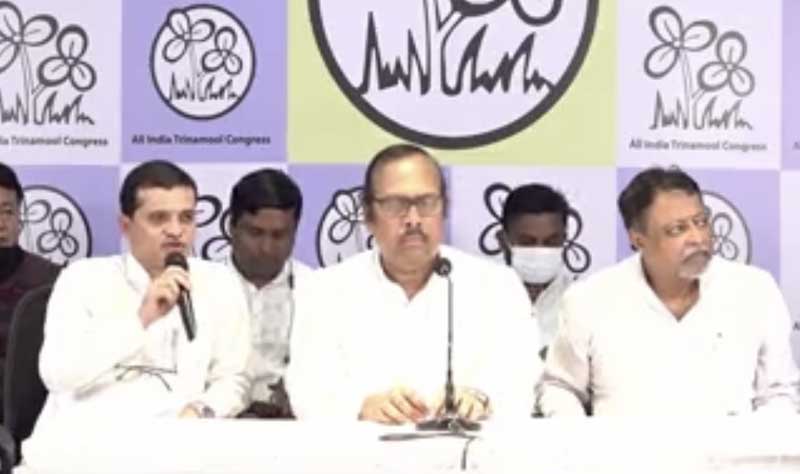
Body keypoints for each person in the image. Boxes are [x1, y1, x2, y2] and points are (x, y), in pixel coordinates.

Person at [287, 144, 539, 424]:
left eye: (427, 203)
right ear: (368, 215)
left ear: (444, 208)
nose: (413, 219)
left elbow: (521, 379)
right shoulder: (324, 290)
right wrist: (361, 407)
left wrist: (481, 399)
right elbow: (307, 388)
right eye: (396, 205)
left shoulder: (497, 287)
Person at [537, 166, 799, 416]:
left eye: (701, 222)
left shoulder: (754, 291)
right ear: (638, 239)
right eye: (677, 229)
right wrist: (582, 439)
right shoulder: (590, 299)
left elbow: (779, 393)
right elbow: (561, 388)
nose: (697, 238)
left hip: (734, 449)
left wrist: (754, 441)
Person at [30, 160, 251, 435]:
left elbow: (234, 379)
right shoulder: (83, 279)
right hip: (89, 440)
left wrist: (200, 411)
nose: (176, 230)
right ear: (125, 226)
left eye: (186, 217)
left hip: (180, 440)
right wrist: (142, 318)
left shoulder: (219, 283)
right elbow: (58, 375)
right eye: (159, 218)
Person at [227, 168, 312, 418]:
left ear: (295, 233)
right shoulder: (202, 288)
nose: (266, 248)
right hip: (214, 423)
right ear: (231, 227)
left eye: (279, 235)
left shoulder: (317, 290)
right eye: (255, 233)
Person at [0, 163, 60, 419]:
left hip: (31, 419)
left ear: (20, 219)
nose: (1, 223)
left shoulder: (50, 281)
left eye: (8, 212)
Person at [498, 183, 573, 358]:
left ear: (564, 239)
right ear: (503, 241)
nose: (540, 249)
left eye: (551, 242)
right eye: (527, 242)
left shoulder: (583, 301)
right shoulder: (480, 301)